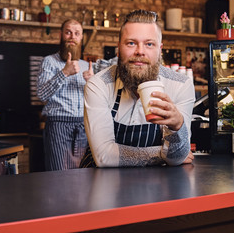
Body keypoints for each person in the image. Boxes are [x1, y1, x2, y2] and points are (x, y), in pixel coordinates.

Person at [81, 10, 195, 168]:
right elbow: (104, 157)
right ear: (118, 48)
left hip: (154, 185)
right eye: (131, 43)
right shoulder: (99, 84)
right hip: (101, 184)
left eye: (149, 44)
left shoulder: (180, 85)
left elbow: (177, 157)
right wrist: (161, 154)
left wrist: (178, 126)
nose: (140, 51)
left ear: (159, 49)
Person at [37, 19, 94, 171]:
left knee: (83, 175)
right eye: (68, 32)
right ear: (61, 35)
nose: (72, 36)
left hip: (83, 126)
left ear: (81, 37)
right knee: (58, 176)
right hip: (58, 125)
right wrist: (64, 73)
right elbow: (42, 94)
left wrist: (92, 84)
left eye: (76, 33)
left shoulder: (86, 66)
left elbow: (96, 102)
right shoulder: (49, 61)